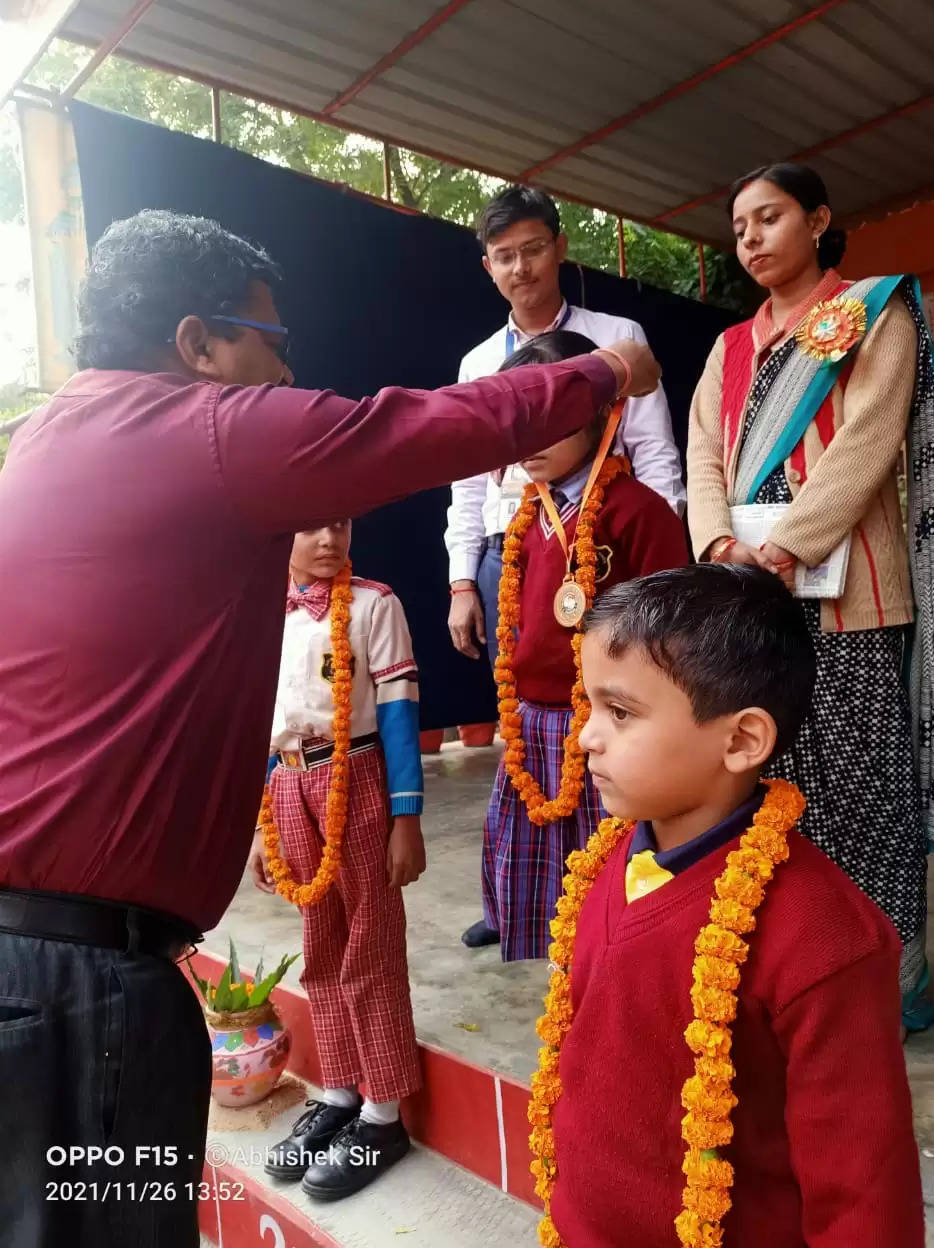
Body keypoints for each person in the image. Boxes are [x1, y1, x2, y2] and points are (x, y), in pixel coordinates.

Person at [0, 208, 660, 1248]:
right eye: (272, 343)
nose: (284, 374)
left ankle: (372, 1098)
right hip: (85, 991)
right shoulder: (204, 428)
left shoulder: (38, 439)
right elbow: (429, 426)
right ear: (198, 345)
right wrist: (605, 371)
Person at [540, 565, 923, 1248]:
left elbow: (865, 1193)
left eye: (620, 713)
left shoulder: (824, 939)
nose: (586, 738)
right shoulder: (605, 864)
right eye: (589, 706)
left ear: (743, 740)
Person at [687, 161, 934, 1033]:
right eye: (740, 228)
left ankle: (889, 980)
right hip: (752, 604)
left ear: (819, 220)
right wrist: (720, 544)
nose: (753, 238)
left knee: (864, 795)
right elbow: (702, 457)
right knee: (776, 791)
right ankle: (798, 981)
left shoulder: (876, 311)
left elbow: (869, 440)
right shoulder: (729, 349)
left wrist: (786, 544)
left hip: (853, 601)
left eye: (770, 218)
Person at [462, 330, 688, 956]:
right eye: (520, 423)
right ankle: (564, 969)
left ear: (600, 416)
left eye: (550, 421)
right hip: (533, 720)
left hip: (606, 724)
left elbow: (668, 639)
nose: (530, 442)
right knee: (539, 868)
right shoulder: (526, 519)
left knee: (613, 865)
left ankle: (616, 962)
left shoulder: (639, 512)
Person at [251, 523, 423, 1199]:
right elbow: (266, 723)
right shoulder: (267, 612)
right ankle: (342, 1092)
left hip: (356, 777)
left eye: (341, 522)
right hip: (290, 782)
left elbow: (402, 712)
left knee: (370, 939)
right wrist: (261, 827)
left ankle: (384, 1115)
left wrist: (405, 817)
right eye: (310, 523)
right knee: (320, 942)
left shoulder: (375, 604)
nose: (329, 537)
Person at [446, 185, 685, 664]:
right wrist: (463, 580)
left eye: (533, 249)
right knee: (521, 694)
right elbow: (469, 481)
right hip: (507, 549)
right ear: (488, 268)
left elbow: (653, 448)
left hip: (603, 538)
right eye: (505, 256)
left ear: (560, 247)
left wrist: (664, 553)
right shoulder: (478, 363)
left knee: (621, 681)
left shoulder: (618, 337)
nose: (521, 267)